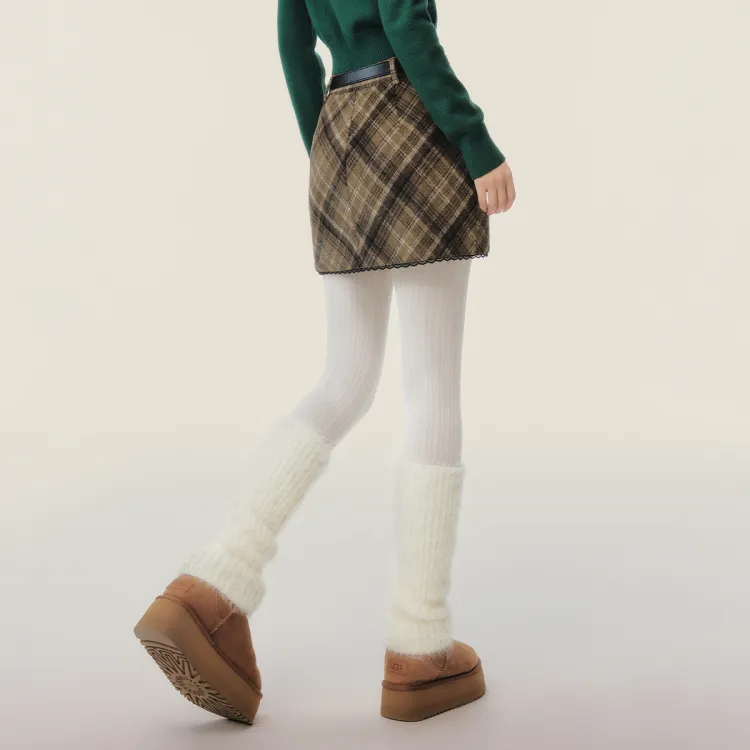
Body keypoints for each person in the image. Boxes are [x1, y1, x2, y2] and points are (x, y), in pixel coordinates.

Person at [133, 0, 516, 725]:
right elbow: (406, 25)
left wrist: (329, 145)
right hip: (408, 124)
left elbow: (292, 45)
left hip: (339, 137)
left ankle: (212, 584)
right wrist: (475, 141)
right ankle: (420, 642)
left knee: (344, 379)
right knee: (431, 386)